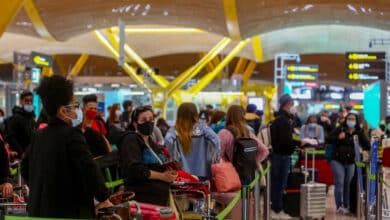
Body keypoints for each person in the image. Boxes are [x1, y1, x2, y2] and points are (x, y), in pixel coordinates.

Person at [22, 75, 112, 218]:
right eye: (75, 106)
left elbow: (24, 169)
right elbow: (89, 169)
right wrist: (104, 198)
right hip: (69, 212)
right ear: (63, 111)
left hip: (39, 211)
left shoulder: (38, 136)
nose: (78, 110)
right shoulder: (72, 135)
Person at [119, 105, 177, 206]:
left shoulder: (150, 141)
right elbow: (135, 170)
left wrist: (169, 173)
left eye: (150, 119)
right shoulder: (130, 140)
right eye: (143, 120)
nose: (148, 123)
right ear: (135, 124)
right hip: (141, 190)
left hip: (158, 188)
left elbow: (160, 163)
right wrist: (162, 176)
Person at [165, 103, 220, 180]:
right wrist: (215, 160)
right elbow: (216, 140)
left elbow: (168, 141)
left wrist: (175, 159)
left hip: (182, 174)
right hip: (202, 172)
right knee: (202, 191)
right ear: (195, 113)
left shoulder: (174, 131)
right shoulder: (203, 129)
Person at [328, 113, 370, 214]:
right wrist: (338, 137)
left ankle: (347, 206)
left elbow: (367, 145)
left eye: (353, 119)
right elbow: (329, 139)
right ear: (346, 120)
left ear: (356, 121)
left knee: (348, 184)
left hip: (351, 161)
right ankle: (339, 206)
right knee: (339, 183)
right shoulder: (341, 129)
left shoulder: (358, 132)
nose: (351, 120)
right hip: (337, 160)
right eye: (349, 119)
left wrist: (364, 148)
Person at [218, 105, 269, 184]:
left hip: (229, 174)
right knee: (246, 195)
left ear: (228, 116)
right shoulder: (248, 133)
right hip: (246, 174)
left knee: (234, 196)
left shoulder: (223, 133)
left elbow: (218, 155)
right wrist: (252, 161)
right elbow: (264, 150)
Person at [270, 94, 300, 219]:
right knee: (279, 184)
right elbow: (285, 140)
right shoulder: (282, 120)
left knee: (280, 183)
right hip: (280, 156)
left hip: (282, 155)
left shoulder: (285, 119)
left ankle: (277, 208)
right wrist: (298, 143)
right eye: (292, 105)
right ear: (286, 105)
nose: (293, 107)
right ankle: (276, 209)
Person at [5, 90, 37, 158]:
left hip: (30, 156)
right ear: (21, 102)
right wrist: (21, 153)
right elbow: (11, 137)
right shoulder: (15, 118)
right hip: (19, 157)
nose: (29, 103)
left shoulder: (32, 119)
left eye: (31, 101)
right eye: (26, 100)